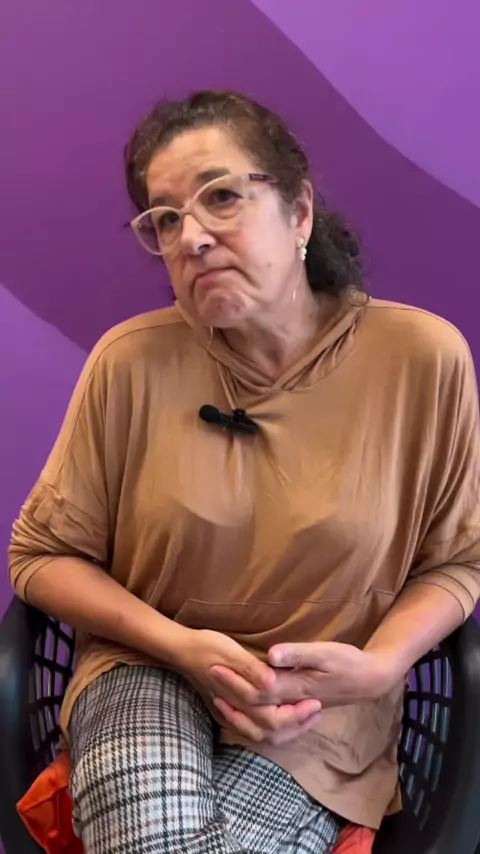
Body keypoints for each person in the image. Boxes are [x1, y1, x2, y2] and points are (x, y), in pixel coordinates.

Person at [9, 90, 480, 854]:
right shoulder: (128, 363)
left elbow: (457, 561)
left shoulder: (422, 361)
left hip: (315, 714)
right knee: (155, 835)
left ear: (300, 213)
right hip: (148, 667)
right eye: (166, 219)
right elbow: (40, 556)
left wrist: (378, 667)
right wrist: (182, 646)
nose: (192, 237)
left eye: (221, 197)